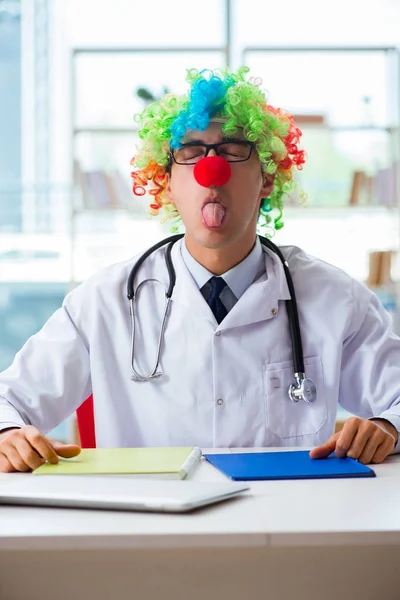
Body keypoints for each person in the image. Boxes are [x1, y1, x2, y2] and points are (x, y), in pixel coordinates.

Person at [0, 66, 399, 473]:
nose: (213, 171)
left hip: (284, 528)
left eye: (231, 151)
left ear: (266, 177)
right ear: (167, 182)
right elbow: (8, 401)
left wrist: (388, 426)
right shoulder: (104, 301)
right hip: (150, 530)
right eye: (190, 153)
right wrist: (8, 435)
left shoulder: (335, 297)